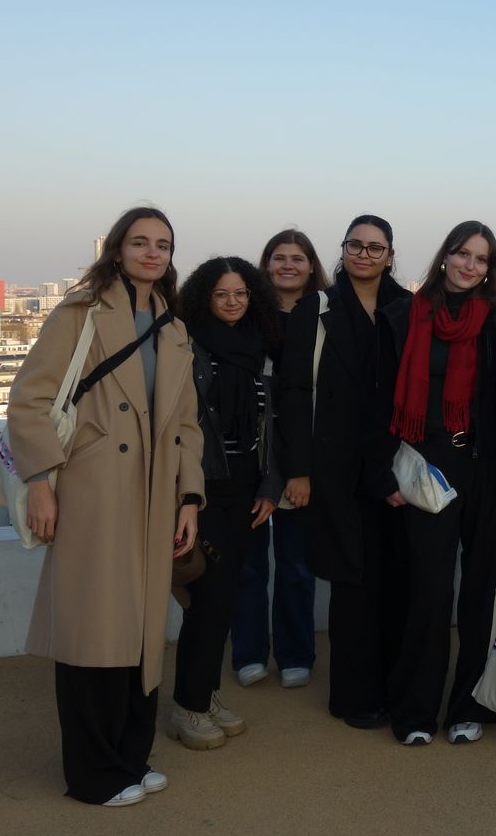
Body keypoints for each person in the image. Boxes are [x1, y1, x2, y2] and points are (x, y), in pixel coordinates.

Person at [5, 206, 203, 807]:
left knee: (142, 631)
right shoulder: (80, 313)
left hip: (156, 495)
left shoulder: (172, 325)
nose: (152, 253)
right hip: (93, 490)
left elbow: (187, 424)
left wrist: (189, 498)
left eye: (163, 244)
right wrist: (41, 483)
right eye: (140, 242)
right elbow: (29, 400)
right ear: (117, 250)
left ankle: (131, 757)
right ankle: (94, 774)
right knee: (94, 632)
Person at [278, 215, 408, 730]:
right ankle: (353, 697)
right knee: (352, 583)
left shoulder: (406, 308)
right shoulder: (317, 309)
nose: (365, 255)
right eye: (356, 245)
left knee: (394, 578)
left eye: (376, 248)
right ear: (343, 249)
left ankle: (393, 687)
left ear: (391, 255)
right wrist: (299, 470)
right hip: (335, 467)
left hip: (393, 464)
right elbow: (293, 393)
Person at [386, 221, 496, 746]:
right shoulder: (404, 316)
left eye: (481, 259)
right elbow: (378, 400)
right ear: (445, 256)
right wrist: (387, 472)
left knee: (481, 594)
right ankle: (416, 711)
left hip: (485, 467)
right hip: (428, 467)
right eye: (462, 254)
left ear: (489, 269)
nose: (469, 265)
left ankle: (468, 706)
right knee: (430, 593)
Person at [168, 257, 284, 749]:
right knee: (207, 599)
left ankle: (205, 693)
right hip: (203, 484)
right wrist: (185, 494)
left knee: (226, 596)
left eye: (241, 293)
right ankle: (188, 706)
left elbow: (273, 422)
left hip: (247, 486)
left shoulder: (261, 347)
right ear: (204, 298)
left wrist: (270, 485)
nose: (233, 302)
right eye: (222, 294)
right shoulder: (187, 346)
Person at [230, 229, 328, 689]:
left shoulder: (325, 317)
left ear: (311, 266)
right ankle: (249, 652)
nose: (288, 265)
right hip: (250, 452)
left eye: (297, 258)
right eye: (279, 257)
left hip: (301, 450)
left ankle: (295, 654)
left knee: (296, 564)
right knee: (248, 563)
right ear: (266, 264)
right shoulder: (247, 316)